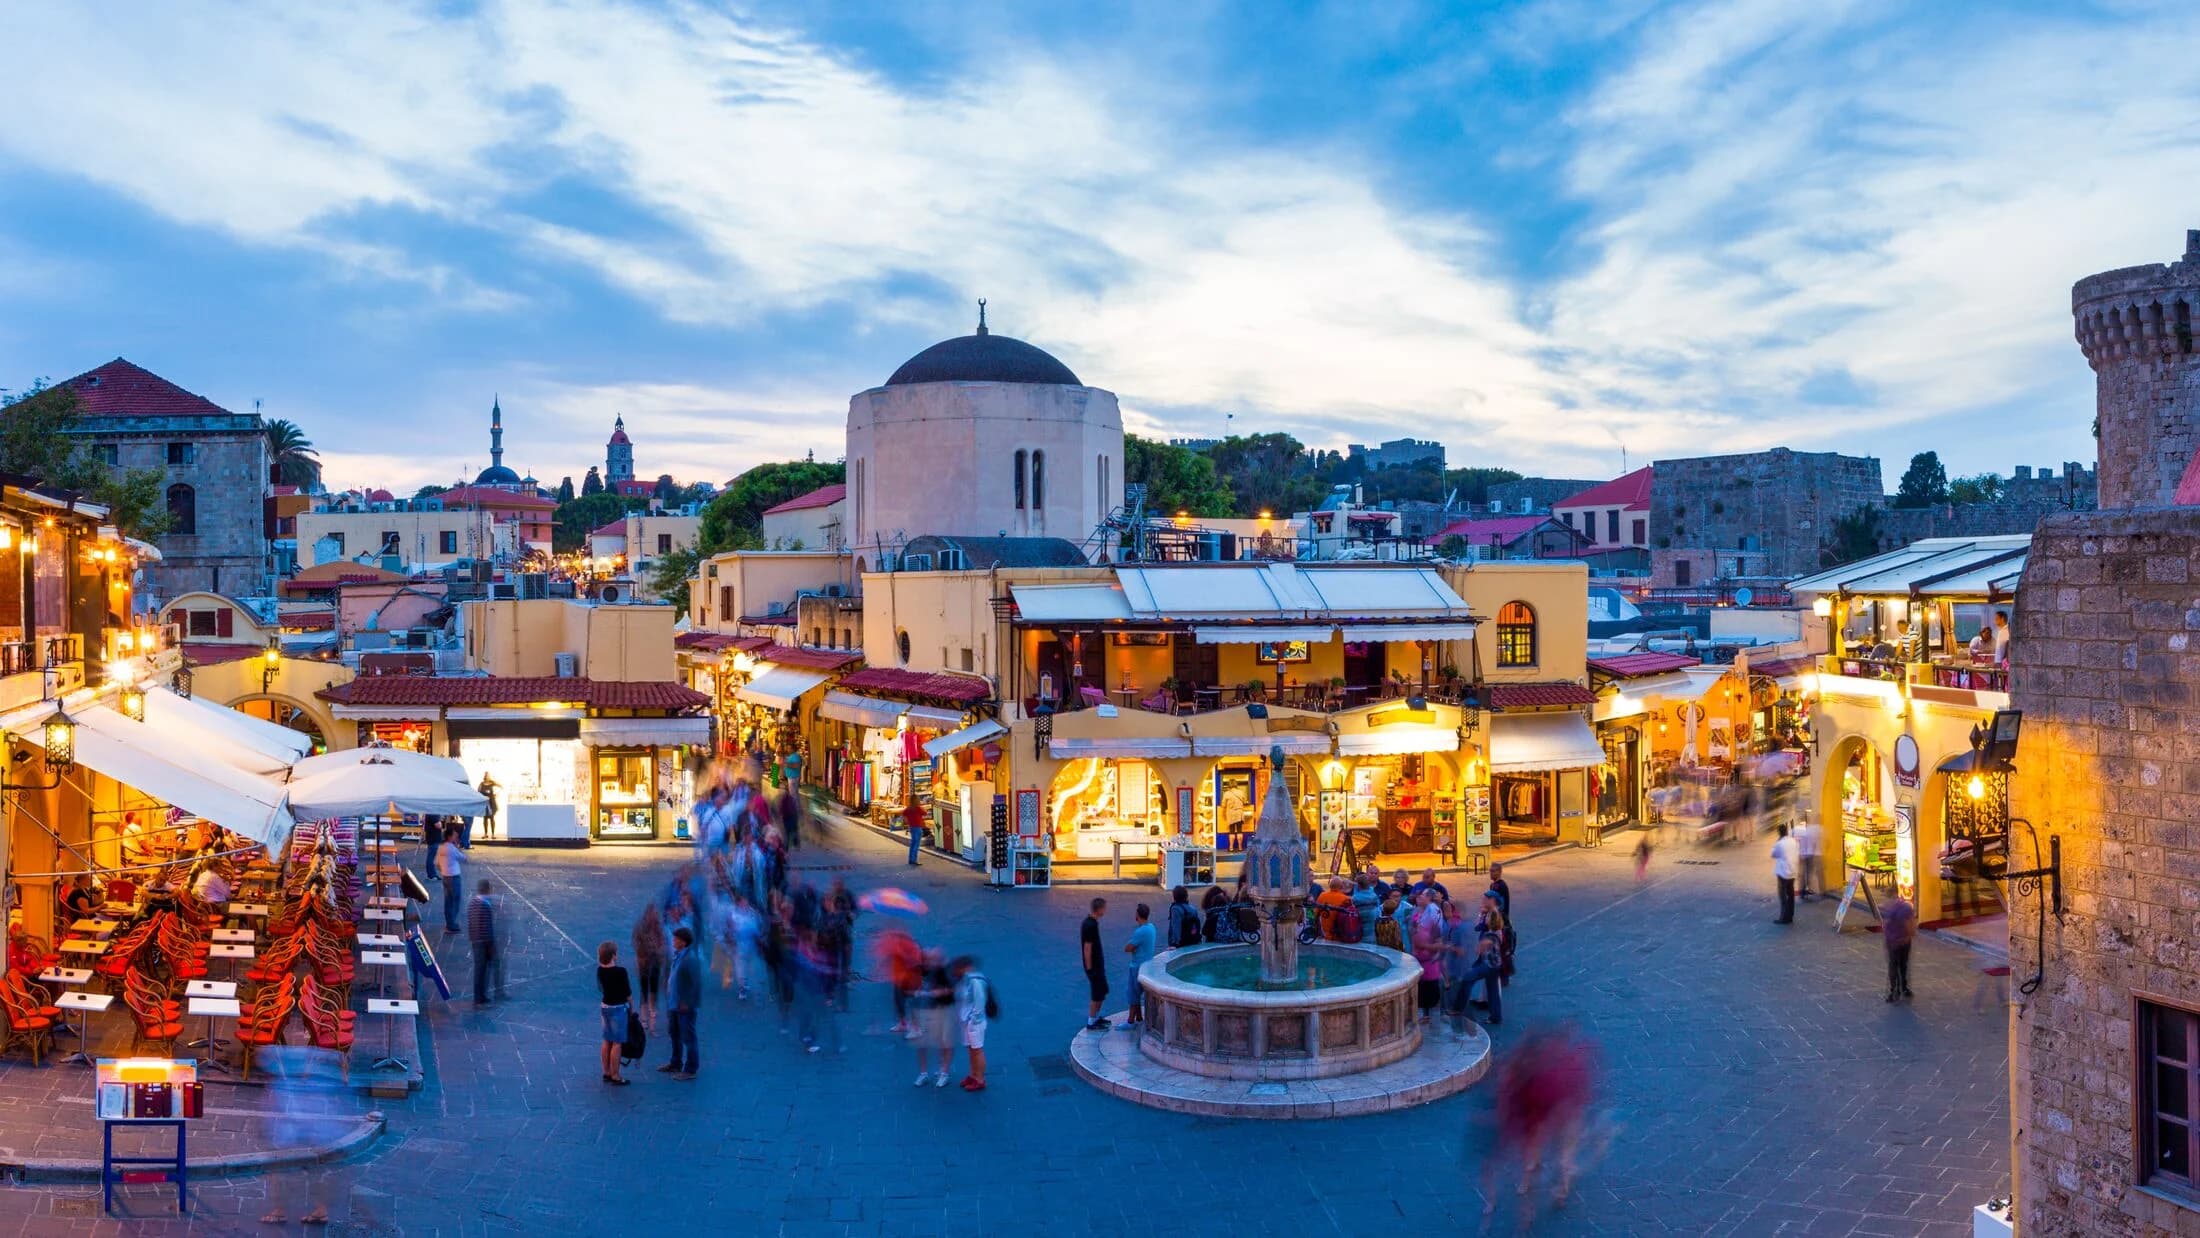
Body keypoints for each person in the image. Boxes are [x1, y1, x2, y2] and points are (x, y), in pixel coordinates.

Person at [662, 926, 701, 1079]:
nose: (673, 941)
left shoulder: (689, 959)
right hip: (674, 1004)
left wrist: (686, 1001)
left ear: (683, 942)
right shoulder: (679, 956)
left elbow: (695, 983)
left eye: (676, 939)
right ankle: (675, 1062)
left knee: (688, 1037)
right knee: (675, 1033)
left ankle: (690, 1069)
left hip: (684, 1006)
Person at [911, 949, 954, 1085]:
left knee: (944, 1041)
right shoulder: (920, 970)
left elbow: (952, 990)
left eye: (933, 960)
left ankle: (944, 1072)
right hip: (923, 1010)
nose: (930, 963)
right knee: (922, 1042)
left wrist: (933, 993)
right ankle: (923, 1073)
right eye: (927, 960)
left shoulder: (944, 971)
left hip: (943, 1009)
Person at [596, 941, 632, 1085]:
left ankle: (606, 1071)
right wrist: (631, 1009)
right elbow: (628, 994)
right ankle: (616, 1075)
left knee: (606, 1040)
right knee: (617, 1043)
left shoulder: (600, 970)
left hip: (605, 1006)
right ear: (613, 955)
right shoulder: (620, 972)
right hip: (619, 1008)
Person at [952, 955, 989, 1092]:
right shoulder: (964, 980)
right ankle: (973, 1075)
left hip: (974, 1023)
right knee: (971, 1050)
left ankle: (980, 1079)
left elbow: (979, 1003)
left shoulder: (975, 981)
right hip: (966, 1021)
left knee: (977, 1050)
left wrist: (973, 1021)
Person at [466, 878, 505, 1005]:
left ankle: (481, 995)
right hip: (484, 941)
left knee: (480, 969)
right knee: (486, 968)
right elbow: (487, 926)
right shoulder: (485, 905)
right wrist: (490, 943)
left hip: (475, 940)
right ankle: (485, 995)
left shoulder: (473, 903)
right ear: (488, 889)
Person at [631, 903, 667, 1032]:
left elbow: (663, 941)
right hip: (644, 962)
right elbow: (635, 941)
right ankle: (644, 1016)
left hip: (655, 961)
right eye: (653, 913)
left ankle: (652, 1011)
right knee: (644, 989)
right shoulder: (641, 927)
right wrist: (640, 956)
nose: (655, 916)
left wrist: (660, 952)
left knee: (654, 988)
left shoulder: (658, 927)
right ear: (648, 914)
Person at [1411, 898, 1444, 1022]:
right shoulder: (1418, 929)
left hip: (1430, 966)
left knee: (1431, 993)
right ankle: (1425, 1015)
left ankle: (1433, 1016)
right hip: (1420, 966)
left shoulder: (1434, 929)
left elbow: (1439, 945)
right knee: (1422, 992)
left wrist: (1425, 946)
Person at [1123, 903, 1156, 1025]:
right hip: (1148, 965)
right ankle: (1139, 1017)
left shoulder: (1140, 931)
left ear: (1137, 915)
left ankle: (1130, 1021)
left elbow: (1128, 948)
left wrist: (1132, 948)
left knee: (1132, 993)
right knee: (1137, 993)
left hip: (1137, 965)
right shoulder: (1152, 927)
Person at [1080, 897, 1110, 1032]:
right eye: (1104, 908)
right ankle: (1091, 1021)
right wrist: (1090, 968)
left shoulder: (1092, 923)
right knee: (1097, 992)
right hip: (1094, 966)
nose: (1105, 910)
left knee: (1102, 990)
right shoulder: (1090, 925)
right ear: (1099, 909)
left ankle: (1095, 1017)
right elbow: (1087, 948)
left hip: (1098, 964)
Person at [1883, 892, 1917, 1002]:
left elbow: (1907, 924)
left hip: (1894, 942)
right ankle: (1903, 988)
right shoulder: (1906, 907)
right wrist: (1910, 934)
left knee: (1894, 966)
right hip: (1903, 942)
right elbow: (1911, 925)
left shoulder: (1892, 909)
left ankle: (1894, 991)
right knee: (1903, 965)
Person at [435, 830, 465, 934]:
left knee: (448, 902)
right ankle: (452, 924)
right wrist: (457, 846)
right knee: (455, 901)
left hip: (445, 876)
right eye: (455, 835)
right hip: (454, 877)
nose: (456, 837)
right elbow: (463, 858)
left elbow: (437, 863)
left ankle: (449, 923)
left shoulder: (441, 848)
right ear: (450, 837)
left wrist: (444, 869)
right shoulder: (452, 849)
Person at [1770, 823, 1798, 924]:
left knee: (1783, 896)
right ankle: (1790, 915)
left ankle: (1784, 917)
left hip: (1783, 873)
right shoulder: (1793, 841)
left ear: (1779, 833)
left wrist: (1777, 842)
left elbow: (1773, 854)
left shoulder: (1780, 843)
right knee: (1791, 894)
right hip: (1793, 871)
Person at [1166, 885, 1201, 951]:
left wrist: (1174, 944)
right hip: (1192, 941)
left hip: (1181, 944)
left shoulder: (1175, 909)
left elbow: (1176, 926)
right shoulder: (1193, 908)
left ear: (1174, 897)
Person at [1794, 819, 1822, 899]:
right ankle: (1808, 888)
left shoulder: (1800, 832)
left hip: (1802, 855)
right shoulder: (1810, 832)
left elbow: (1797, 843)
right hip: (1809, 855)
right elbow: (1813, 844)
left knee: (1802, 873)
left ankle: (1802, 891)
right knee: (1809, 873)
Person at [1350, 873, 1381, 944]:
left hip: (1360, 931)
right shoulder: (1374, 895)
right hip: (1372, 929)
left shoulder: (1355, 898)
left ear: (1358, 885)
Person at [474, 774, 499, 844]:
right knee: (485, 818)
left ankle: (493, 834)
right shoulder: (481, 784)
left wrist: (495, 794)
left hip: (491, 803)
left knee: (492, 818)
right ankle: (485, 833)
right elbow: (478, 791)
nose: (487, 777)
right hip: (485, 802)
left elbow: (501, 787)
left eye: (488, 775)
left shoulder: (492, 783)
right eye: (486, 775)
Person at [902, 800, 925, 868]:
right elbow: (925, 813)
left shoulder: (908, 808)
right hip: (917, 827)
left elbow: (903, 814)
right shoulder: (918, 808)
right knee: (916, 844)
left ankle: (911, 859)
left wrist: (907, 821)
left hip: (912, 827)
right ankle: (914, 860)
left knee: (913, 844)